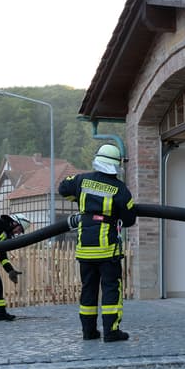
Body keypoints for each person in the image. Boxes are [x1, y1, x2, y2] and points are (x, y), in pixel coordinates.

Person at [59, 143, 136, 342]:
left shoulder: (81, 180)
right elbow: (129, 220)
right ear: (116, 165)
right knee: (111, 289)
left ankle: (89, 332)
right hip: (107, 251)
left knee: (88, 289)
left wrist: (78, 199)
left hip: (85, 249)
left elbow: (63, 189)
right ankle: (111, 332)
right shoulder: (120, 189)